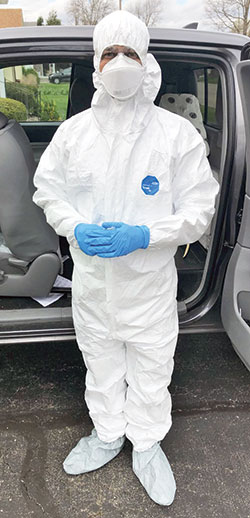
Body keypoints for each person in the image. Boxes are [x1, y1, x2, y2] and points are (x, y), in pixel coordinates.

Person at [33, 10, 219, 507]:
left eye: (129, 53)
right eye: (108, 53)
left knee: (154, 366)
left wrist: (145, 234)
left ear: (146, 62)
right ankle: (108, 434)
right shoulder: (74, 133)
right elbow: (48, 193)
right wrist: (75, 226)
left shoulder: (176, 136)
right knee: (101, 363)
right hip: (93, 285)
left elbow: (200, 209)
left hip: (148, 286)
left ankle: (147, 442)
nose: (119, 63)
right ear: (95, 65)